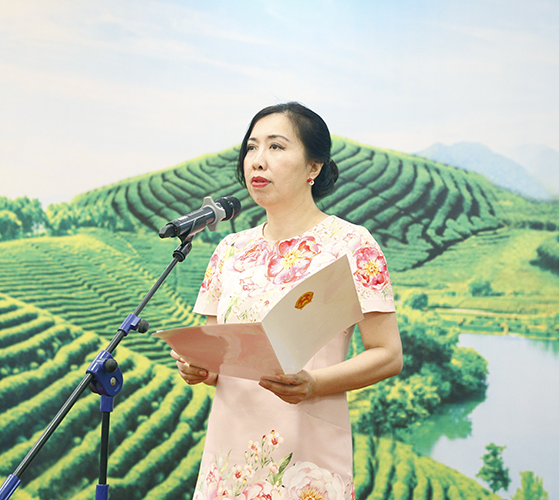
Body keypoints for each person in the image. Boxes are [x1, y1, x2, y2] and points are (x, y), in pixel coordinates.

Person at [171, 102, 402, 500]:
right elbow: (213, 363)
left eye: (276, 147)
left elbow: (388, 354)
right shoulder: (229, 250)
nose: (258, 161)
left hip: (306, 459)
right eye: (251, 148)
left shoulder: (350, 244)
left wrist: (313, 384)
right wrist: (197, 368)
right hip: (228, 458)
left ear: (314, 167)